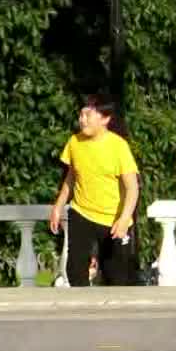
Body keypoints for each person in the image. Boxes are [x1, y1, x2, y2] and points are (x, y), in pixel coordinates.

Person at [49, 95, 139, 286]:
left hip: (113, 219)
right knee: (75, 269)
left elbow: (132, 188)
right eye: (81, 115)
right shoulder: (74, 142)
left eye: (88, 115)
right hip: (82, 212)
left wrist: (124, 219)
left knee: (116, 275)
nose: (82, 120)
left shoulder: (118, 147)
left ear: (105, 119)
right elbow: (71, 177)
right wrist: (58, 207)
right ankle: (80, 302)